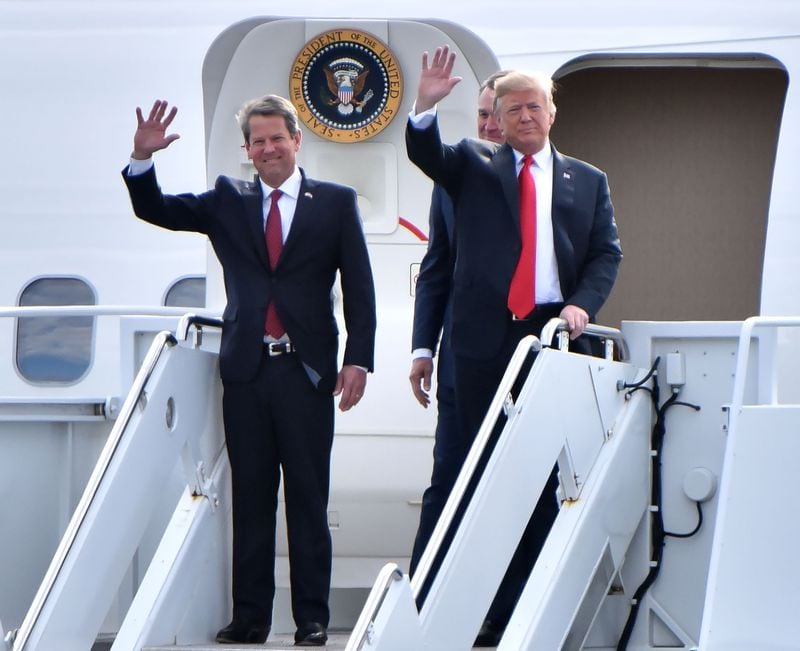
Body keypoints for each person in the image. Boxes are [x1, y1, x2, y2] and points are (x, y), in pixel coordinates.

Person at [122, 96, 376, 646]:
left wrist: (358, 359)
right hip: (247, 370)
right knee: (252, 499)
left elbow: (360, 287)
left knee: (308, 498)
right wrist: (142, 160)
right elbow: (157, 209)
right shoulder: (226, 199)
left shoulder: (333, 202)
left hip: (307, 372)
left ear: (296, 140)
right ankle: (251, 619)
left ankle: (312, 619)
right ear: (247, 150)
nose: (267, 150)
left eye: (276, 139)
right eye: (257, 142)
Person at [406, 46, 622, 646]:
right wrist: (424, 106)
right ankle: (427, 602)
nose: (524, 117)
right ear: (495, 119)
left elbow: (607, 253)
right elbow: (428, 160)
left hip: (552, 340)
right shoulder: (474, 166)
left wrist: (583, 303)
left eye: (535, 106)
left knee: (538, 481)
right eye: (511, 109)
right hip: (477, 344)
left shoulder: (589, 180)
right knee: (456, 474)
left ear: (552, 111)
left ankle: (516, 613)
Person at [408, 71, 507, 577]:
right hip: (459, 359)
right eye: (483, 114)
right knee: (448, 472)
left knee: (514, 479)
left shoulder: (556, 180)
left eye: (499, 114)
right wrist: (421, 347)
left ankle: (504, 606)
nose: (490, 125)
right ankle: (422, 595)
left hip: (522, 355)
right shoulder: (455, 176)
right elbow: (436, 267)